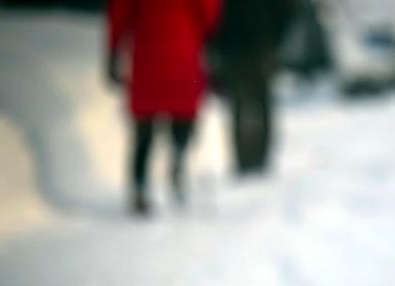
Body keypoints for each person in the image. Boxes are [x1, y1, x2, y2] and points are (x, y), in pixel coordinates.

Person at [107, 0, 223, 216]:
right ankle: (178, 157)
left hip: (146, 52)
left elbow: (119, 12)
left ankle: (140, 187)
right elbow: (210, 12)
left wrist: (113, 50)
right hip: (184, 47)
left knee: (144, 128)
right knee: (183, 115)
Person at [210, 0, 298, 175]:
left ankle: (247, 159)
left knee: (242, 105)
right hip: (257, 47)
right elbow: (288, 10)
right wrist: (275, 38)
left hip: (236, 48)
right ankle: (257, 159)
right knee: (258, 104)